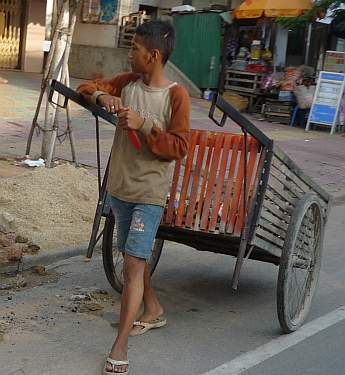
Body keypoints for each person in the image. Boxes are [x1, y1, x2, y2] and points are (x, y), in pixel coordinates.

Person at [77, 20, 190, 375]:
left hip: (148, 194)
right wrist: (102, 96)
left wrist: (144, 125)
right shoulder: (126, 84)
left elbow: (179, 147)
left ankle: (120, 347)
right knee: (134, 260)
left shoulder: (176, 95)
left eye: (134, 49)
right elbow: (87, 86)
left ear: (153, 55)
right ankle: (153, 310)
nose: (129, 55)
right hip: (121, 189)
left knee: (132, 266)